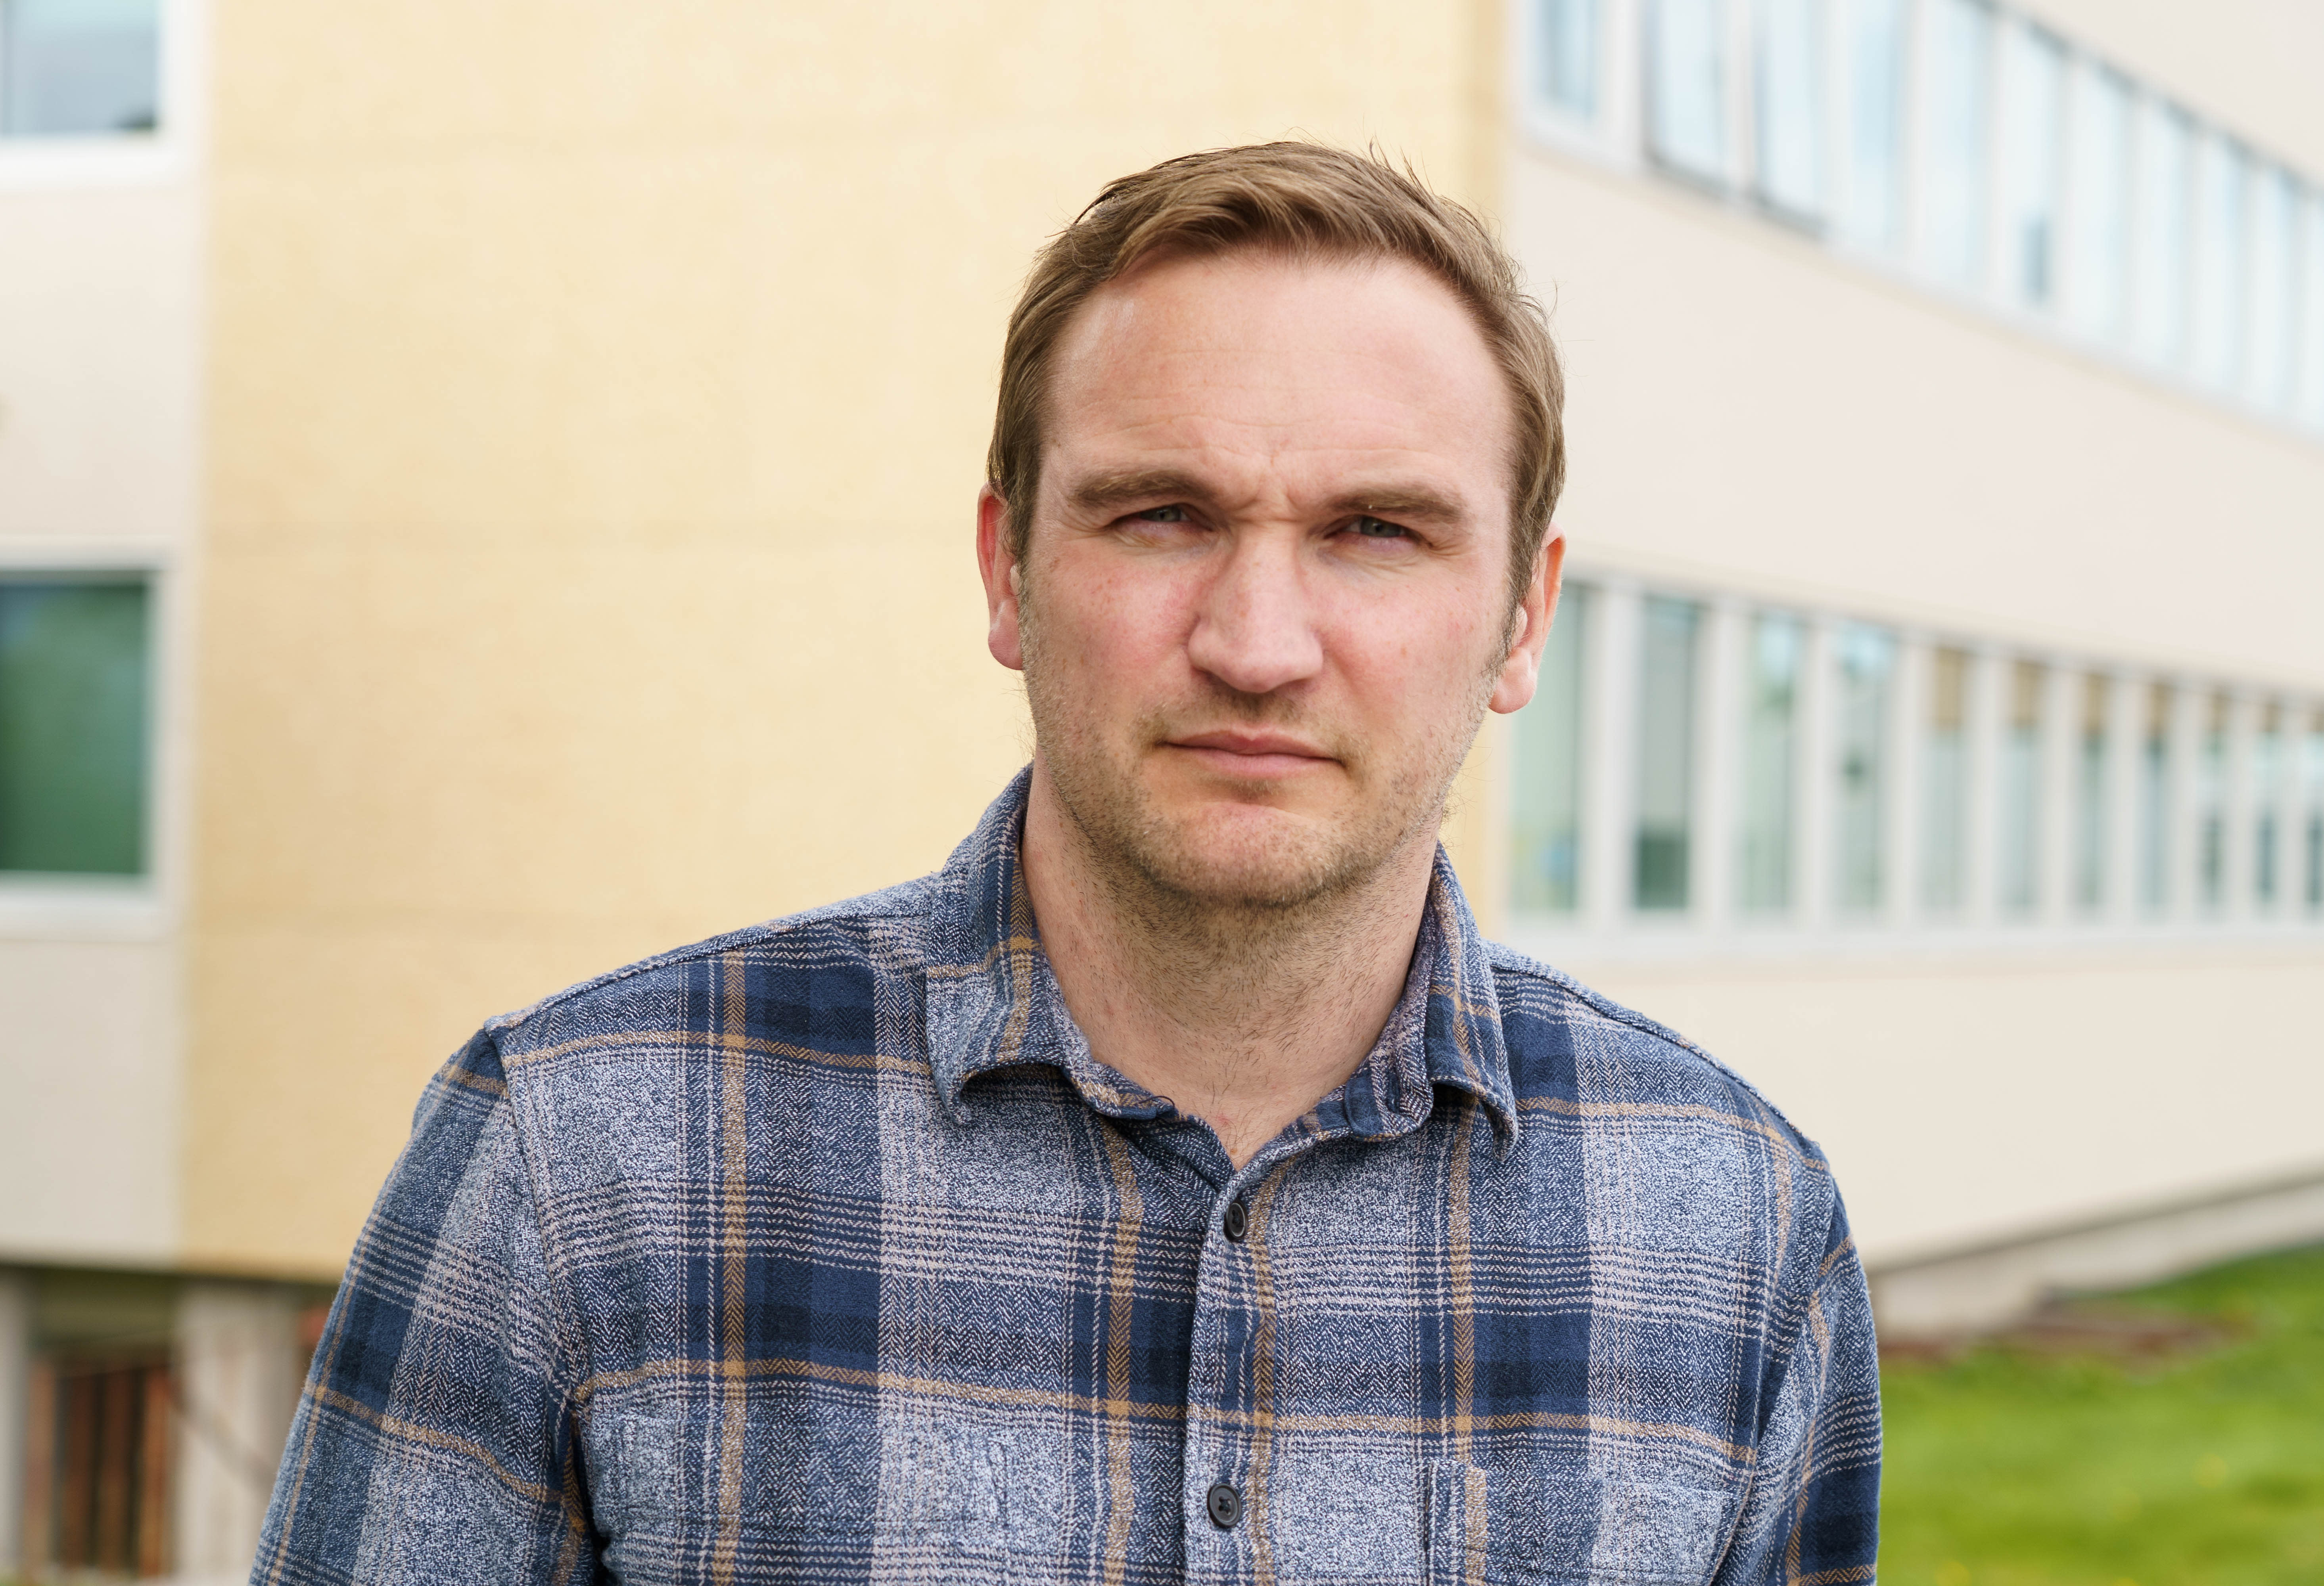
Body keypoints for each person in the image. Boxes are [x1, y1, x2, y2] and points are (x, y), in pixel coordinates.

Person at [253, 142, 1880, 1586]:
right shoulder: (575, 1158)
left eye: (1377, 531)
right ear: (1008, 571)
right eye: (1161, 515)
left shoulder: (1738, 1233)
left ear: (1524, 615)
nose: (1257, 644)